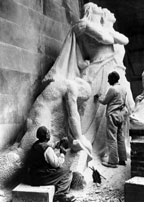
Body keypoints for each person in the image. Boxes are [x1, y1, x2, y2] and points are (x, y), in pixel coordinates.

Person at [26, 126, 76, 202]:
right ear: (46, 135)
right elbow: (56, 164)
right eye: (48, 133)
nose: (50, 134)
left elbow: (48, 148)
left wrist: (58, 144)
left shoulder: (35, 145)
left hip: (33, 177)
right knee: (67, 171)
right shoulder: (47, 149)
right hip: (42, 178)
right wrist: (62, 154)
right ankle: (60, 194)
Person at [94, 71, 128, 168]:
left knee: (111, 138)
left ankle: (113, 162)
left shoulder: (112, 89)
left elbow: (104, 102)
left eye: (109, 79)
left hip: (113, 115)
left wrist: (98, 97)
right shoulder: (123, 89)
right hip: (121, 115)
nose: (108, 81)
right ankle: (122, 160)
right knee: (120, 137)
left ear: (112, 79)